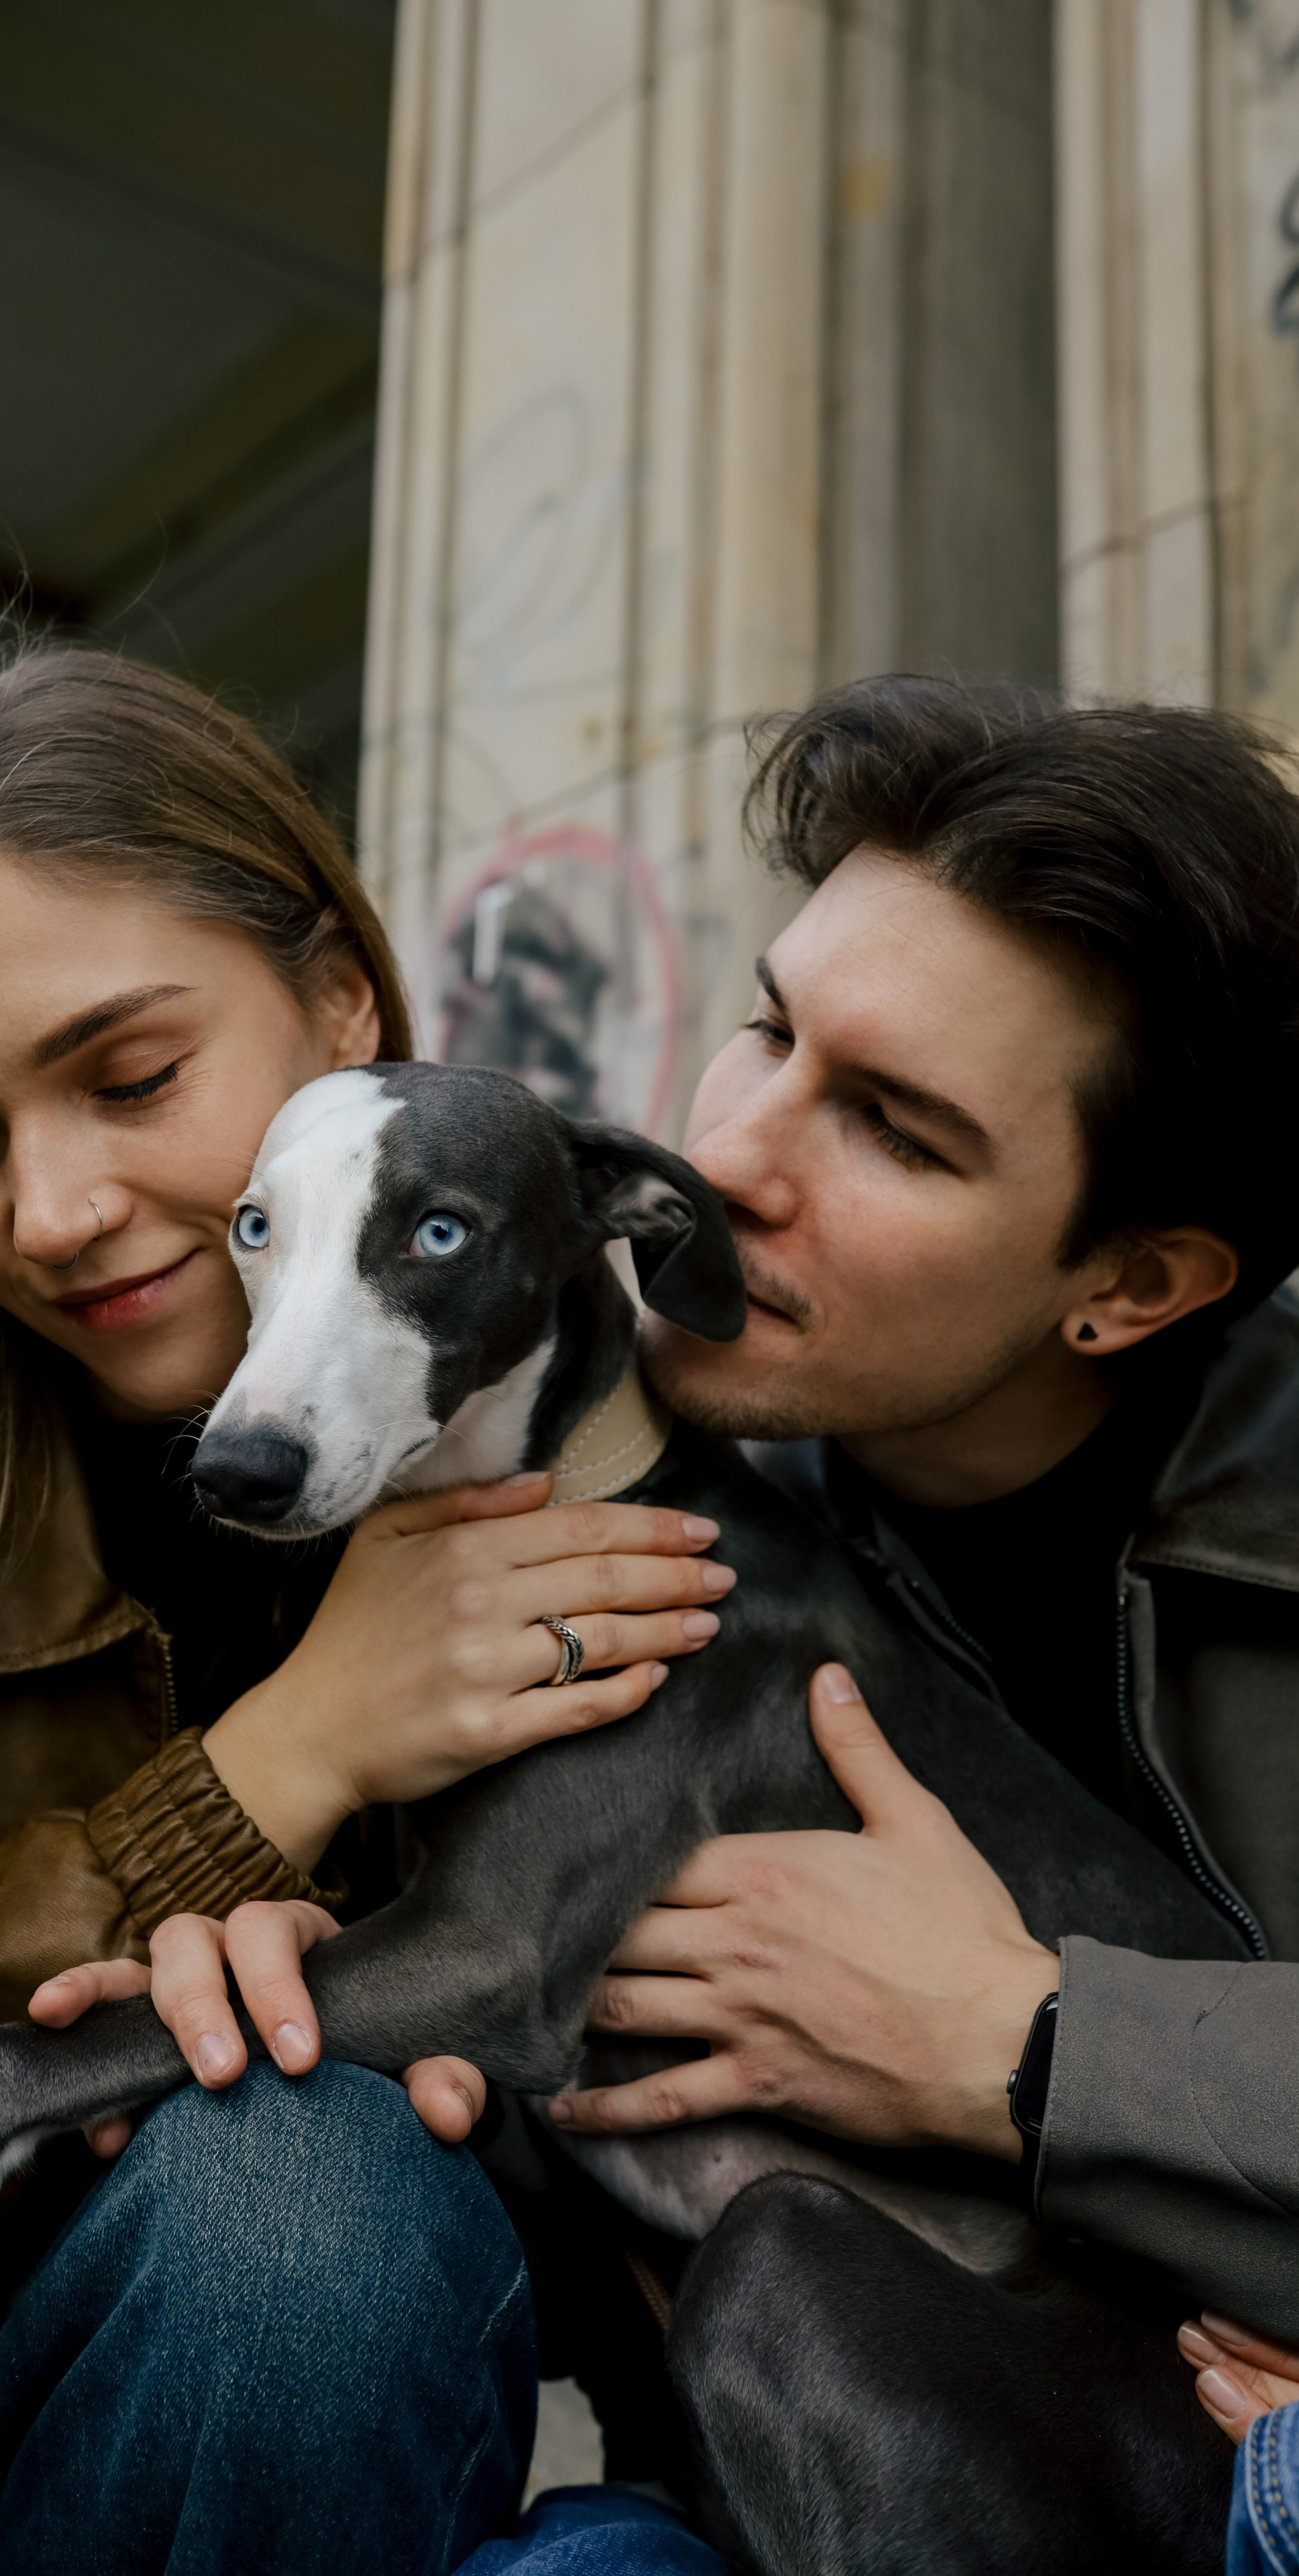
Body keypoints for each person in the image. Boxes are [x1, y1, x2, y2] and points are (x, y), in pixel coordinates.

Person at [0, 650, 734, 2571]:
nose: (53, 1210)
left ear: (343, 1006)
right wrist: (283, 1761)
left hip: (286, 2434)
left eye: (132, 1079)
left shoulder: (610, 1434)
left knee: (304, 2201)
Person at [138, 679, 1299, 2569]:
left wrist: (1020, 2041)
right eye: (768, 1027)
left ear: (1135, 1282)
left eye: (896, 1133)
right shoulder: (645, 1486)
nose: (743, 1154)